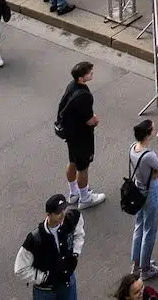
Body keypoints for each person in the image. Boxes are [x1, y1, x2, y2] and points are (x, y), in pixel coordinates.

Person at [57, 60, 105, 208]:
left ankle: (73, 193)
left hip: (71, 135)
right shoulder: (84, 96)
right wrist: (95, 120)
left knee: (72, 162)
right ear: (81, 78)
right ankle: (85, 198)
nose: (92, 74)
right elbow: (91, 120)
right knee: (82, 168)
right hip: (81, 136)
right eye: (89, 73)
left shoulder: (71, 86)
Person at [124, 119, 158, 279]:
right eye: (153, 129)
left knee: (139, 226)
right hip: (151, 192)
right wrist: (154, 172)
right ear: (148, 133)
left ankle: (136, 264)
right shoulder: (149, 155)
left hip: (138, 189)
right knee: (150, 230)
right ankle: (146, 268)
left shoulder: (132, 148)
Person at [21, 195, 83, 300]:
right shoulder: (35, 239)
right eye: (58, 212)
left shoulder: (73, 218)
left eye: (64, 209)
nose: (63, 214)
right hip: (45, 292)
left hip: (68, 282)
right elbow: (20, 269)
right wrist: (43, 277)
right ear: (48, 214)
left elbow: (79, 234)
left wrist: (76, 252)